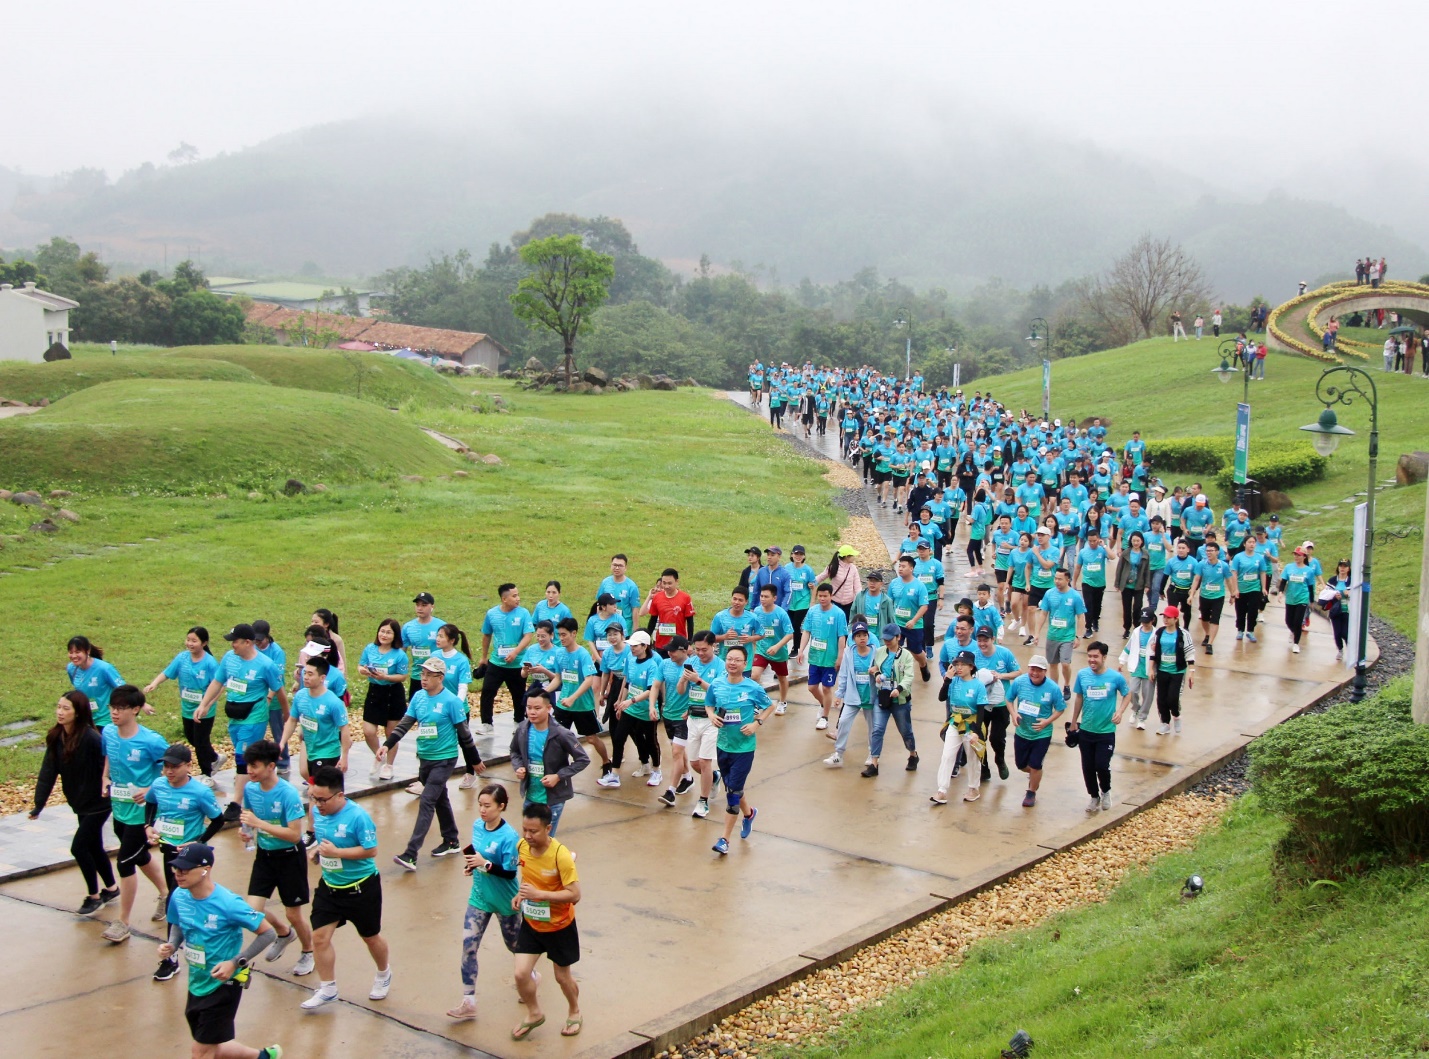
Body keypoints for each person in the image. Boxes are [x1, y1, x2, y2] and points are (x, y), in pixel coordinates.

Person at [159, 842, 283, 1059]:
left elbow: (268, 933)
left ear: (205, 870)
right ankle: (263, 1056)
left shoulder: (229, 903)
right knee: (211, 1045)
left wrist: (234, 963)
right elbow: (178, 923)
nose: (178, 873)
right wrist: (172, 945)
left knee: (200, 1051)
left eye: (185, 869)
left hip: (225, 983)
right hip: (198, 980)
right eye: (176, 868)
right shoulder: (179, 895)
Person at [379, 657, 483, 871]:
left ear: (440, 677)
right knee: (440, 798)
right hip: (425, 758)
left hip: (444, 759)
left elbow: (464, 734)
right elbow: (404, 725)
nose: (423, 678)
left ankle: (411, 854)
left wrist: (474, 761)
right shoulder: (418, 697)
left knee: (427, 800)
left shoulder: (452, 702)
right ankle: (452, 840)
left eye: (429, 675)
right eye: (422, 674)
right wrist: (387, 745)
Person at [302, 766, 392, 1010]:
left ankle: (384, 973)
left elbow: (371, 850)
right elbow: (325, 842)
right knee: (319, 937)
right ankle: (328, 989)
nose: (318, 805)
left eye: (323, 800)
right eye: (314, 798)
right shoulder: (317, 813)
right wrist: (318, 852)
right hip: (330, 886)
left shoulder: (358, 817)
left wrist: (336, 853)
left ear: (340, 795)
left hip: (361, 888)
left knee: (370, 937)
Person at [96, 685, 170, 942]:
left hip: (143, 815)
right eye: (112, 707)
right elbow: (108, 757)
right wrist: (105, 777)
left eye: (120, 708)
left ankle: (123, 922)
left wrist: (149, 789)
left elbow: (175, 769)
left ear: (136, 709)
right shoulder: (108, 732)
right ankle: (166, 893)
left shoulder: (152, 741)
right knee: (138, 856)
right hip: (120, 809)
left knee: (125, 861)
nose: (114, 713)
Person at [32, 689, 115, 917]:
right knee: (94, 846)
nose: (60, 712)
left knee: (79, 847)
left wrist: (112, 789)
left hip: (99, 803)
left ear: (78, 713)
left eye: (66, 708)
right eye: (59, 707)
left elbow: (109, 765)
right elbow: (48, 772)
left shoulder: (91, 738)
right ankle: (112, 888)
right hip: (80, 803)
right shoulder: (56, 737)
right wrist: (39, 804)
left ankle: (94, 896)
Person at [146, 744, 226, 982]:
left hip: (190, 858)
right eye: (166, 766)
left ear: (189, 766)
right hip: (168, 852)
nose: (169, 771)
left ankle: (172, 958)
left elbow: (218, 820)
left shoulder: (200, 793)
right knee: (180, 902)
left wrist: (197, 843)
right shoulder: (158, 785)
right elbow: (150, 803)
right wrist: (148, 826)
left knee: (178, 901)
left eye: (175, 767)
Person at [195, 624, 288, 822]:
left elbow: (279, 690)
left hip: (254, 717)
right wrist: (204, 705)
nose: (232, 645)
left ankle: (236, 804)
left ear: (247, 642)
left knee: (242, 758)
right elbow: (217, 682)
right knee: (247, 756)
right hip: (234, 715)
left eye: (235, 642)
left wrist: (287, 714)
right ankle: (263, 780)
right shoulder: (229, 658)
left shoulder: (266, 665)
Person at [239, 739, 314, 978]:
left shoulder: (287, 794)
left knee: (293, 914)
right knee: (251, 911)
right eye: (248, 765)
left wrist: (260, 824)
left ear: (271, 766)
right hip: (264, 855)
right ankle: (283, 933)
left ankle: (308, 951)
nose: (250, 770)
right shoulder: (251, 789)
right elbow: (248, 815)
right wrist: (246, 830)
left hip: (290, 858)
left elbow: (294, 835)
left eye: (255, 766)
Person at [447, 783, 522, 1022]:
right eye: (480, 805)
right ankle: (468, 1000)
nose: (482, 810)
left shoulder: (509, 837)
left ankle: (529, 978)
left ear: (501, 806)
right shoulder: (477, 826)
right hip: (479, 897)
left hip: (505, 900)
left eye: (487, 806)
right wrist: (471, 866)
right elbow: (477, 856)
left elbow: (510, 872)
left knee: (515, 946)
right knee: (468, 945)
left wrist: (485, 864)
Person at [511, 803, 583, 1040]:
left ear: (548, 829)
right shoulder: (522, 847)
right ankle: (534, 1013)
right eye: (525, 829)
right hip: (532, 924)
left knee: (562, 978)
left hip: (559, 927)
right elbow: (528, 878)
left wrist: (540, 895)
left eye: (534, 831)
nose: (528, 836)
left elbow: (575, 895)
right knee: (521, 974)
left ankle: (574, 1010)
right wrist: (521, 895)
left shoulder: (560, 856)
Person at [708, 645, 774, 855]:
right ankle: (749, 813)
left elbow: (770, 706)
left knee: (733, 794)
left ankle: (724, 839)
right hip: (723, 745)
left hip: (744, 748)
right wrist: (711, 715)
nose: (732, 663)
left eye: (737, 660)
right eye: (729, 659)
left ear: (745, 664)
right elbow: (709, 704)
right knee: (732, 787)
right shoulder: (717, 684)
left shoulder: (752, 687)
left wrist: (757, 723)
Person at [280, 657, 351, 847]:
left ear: (322, 678)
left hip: (327, 753)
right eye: (305, 673)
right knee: (322, 792)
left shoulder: (333, 702)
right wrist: (282, 743)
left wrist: (344, 756)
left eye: (310, 674)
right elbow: (292, 720)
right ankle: (335, 821)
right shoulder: (301, 696)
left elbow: (345, 730)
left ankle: (311, 832)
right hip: (311, 751)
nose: (306, 677)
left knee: (315, 793)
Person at [145, 627, 223, 784]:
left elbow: (219, 686)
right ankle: (215, 758)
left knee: (200, 742)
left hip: (204, 711)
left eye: (194, 641)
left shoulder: (209, 663)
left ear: (204, 643)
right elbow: (167, 672)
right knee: (191, 737)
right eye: (188, 640)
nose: (190, 643)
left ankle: (207, 774)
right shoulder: (182, 658)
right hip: (187, 709)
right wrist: (154, 683)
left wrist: (208, 705)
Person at [511, 685, 589, 835]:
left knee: (545, 839)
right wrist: (518, 766)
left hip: (553, 799)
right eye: (529, 707)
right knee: (529, 836)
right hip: (530, 796)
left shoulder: (561, 734)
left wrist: (558, 776)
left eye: (537, 708)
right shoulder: (522, 729)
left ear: (549, 708)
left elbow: (583, 759)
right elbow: (514, 751)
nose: (532, 712)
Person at [1068, 642, 1130, 812]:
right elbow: (1079, 698)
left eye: (1095, 656)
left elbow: (1127, 694)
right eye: (1089, 656)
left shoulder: (1115, 677)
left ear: (1104, 657)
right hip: (1086, 730)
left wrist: (1120, 712)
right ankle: (1094, 796)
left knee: (1101, 765)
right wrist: (1073, 721)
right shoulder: (1082, 675)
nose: (1092, 660)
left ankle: (1106, 791)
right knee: (1087, 767)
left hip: (1106, 732)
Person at [1006, 655, 1065, 807]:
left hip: (1042, 733)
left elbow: (1060, 709)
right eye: (1032, 669)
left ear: (1045, 671)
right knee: (1021, 764)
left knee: (1036, 764)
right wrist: (1013, 714)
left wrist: (1047, 721)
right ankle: (1035, 773)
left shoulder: (1053, 688)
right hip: (1022, 730)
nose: (1035, 673)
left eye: (1039, 670)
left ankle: (1031, 792)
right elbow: (1009, 699)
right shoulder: (1019, 682)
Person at [678, 631, 726, 817]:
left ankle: (703, 801)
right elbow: (681, 691)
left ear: (714, 646)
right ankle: (715, 777)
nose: (700, 653)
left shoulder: (721, 666)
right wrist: (684, 680)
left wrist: (698, 680)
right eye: (697, 649)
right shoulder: (692, 663)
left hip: (711, 719)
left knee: (705, 762)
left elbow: (719, 693)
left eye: (704, 649)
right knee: (694, 763)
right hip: (693, 718)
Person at [933, 650, 988, 804]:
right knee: (947, 755)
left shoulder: (978, 686)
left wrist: (977, 732)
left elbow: (981, 710)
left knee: (972, 757)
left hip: (971, 724)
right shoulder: (953, 682)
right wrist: (947, 680)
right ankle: (942, 790)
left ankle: (973, 788)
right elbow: (941, 698)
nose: (959, 667)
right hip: (955, 722)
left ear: (971, 667)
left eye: (963, 664)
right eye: (957, 664)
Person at [479, 582, 536, 729]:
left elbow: (528, 635)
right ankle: (486, 723)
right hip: (496, 662)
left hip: (517, 663)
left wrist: (515, 652)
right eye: (514, 596)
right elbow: (486, 635)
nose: (518, 598)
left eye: (518, 595)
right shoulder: (492, 614)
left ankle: (519, 722)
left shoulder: (523, 613)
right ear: (504, 599)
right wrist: (483, 657)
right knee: (487, 691)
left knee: (518, 694)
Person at [358, 619, 409, 782]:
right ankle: (379, 755)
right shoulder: (370, 649)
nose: (384, 635)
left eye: (388, 632)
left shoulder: (400, 655)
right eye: (382, 631)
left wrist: (385, 677)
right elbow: (360, 665)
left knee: (391, 733)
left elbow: (402, 676)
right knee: (368, 731)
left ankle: (389, 765)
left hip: (393, 693)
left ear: (395, 636)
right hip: (375, 692)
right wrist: (364, 671)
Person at [824, 621, 880, 770]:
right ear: (853, 638)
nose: (862, 638)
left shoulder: (876, 652)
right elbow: (843, 675)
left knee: (873, 727)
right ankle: (838, 754)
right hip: (853, 696)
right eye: (858, 635)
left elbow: (883, 671)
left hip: (870, 696)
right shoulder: (849, 653)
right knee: (843, 721)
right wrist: (839, 695)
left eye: (864, 635)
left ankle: (872, 754)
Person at [655, 637, 697, 805]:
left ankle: (670, 792)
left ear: (684, 650)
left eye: (673, 650)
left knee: (676, 753)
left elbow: (698, 691)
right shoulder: (665, 664)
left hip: (683, 718)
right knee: (677, 750)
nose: (669, 653)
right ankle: (687, 777)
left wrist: (691, 709)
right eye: (668, 650)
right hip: (668, 715)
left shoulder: (693, 667)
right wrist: (653, 706)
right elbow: (656, 685)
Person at [802, 583, 850, 730]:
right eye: (820, 596)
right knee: (812, 687)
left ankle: (825, 717)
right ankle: (824, 704)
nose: (822, 598)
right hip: (815, 657)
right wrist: (801, 650)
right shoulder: (812, 611)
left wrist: (840, 656)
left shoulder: (839, 614)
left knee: (827, 688)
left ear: (831, 596)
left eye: (825, 596)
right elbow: (806, 631)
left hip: (830, 659)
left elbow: (842, 636)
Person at [1039, 567, 1086, 698]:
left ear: (1067, 580)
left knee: (1065, 664)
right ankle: (1055, 689)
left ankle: (1067, 685)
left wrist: (1078, 636)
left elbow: (1081, 617)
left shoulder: (1075, 596)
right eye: (1055, 578)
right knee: (1053, 664)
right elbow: (1043, 613)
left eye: (1060, 579)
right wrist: (1036, 633)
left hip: (1067, 637)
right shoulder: (1049, 594)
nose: (1057, 581)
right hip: (1052, 635)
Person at [252, 621, 290, 775]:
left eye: (260, 640)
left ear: (267, 637)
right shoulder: (252, 650)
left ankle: (283, 761)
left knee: (278, 732)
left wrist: (269, 698)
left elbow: (277, 679)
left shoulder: (277, 652)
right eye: (255, 640)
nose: (257, 643)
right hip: (257, 698)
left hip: (274, 701)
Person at [750, 584, 795, 713]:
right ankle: (758, 702)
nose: (762, 599)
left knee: (782, 678)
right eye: (761, 596)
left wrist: (777, 646)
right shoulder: (757, 612)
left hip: (779, 653)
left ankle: (782, 702)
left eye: (766, 596)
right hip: (761, 650)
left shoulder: (781, 614)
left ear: (774, 598)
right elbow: (754, 630)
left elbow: (790, 634)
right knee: (754, 675)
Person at [1150, 606, 1196, 734]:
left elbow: (1190, 653)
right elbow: (1153, 652)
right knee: (1161, 699)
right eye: (1164, 617)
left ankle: (1176, 715)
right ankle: (1165, 723)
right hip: (1162, 670)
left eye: (1169, 617)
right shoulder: (1159, 633)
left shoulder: (1183, 634)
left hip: (1177, 672)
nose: (1165, 620)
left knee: (1172, 698)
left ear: (1176, 619)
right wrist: (1151, 669)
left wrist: (1191, 672)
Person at [66, 635, 124, 728]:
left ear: (87, 651)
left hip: (105, 720)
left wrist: (142, 704)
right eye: (71, 652)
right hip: (85, 719)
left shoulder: (104, 668)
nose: (74, 656)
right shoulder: (71, 668)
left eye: (77, 652)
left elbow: (124, 690)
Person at [1117, 608, 1159, 730]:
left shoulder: (1157, 634)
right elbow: (1128, 647)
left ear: (1152, 620)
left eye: (1147, 621)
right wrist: (1122, 661)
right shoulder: (1136, 632)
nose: (1144, 624)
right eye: (1143, 621)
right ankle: (1136, 709)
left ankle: (1142, 718)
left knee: (1147, 694)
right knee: (1132, 691)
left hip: (1149, 669)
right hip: (1136, 666)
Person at [402, 592, 445, 700]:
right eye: (417, 605)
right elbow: (402, 651)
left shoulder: (441, 626)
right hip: (417, 675)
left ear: (432, 607)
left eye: (424, 605)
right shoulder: (408, 627)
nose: (420, 608)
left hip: (436, 675)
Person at [643, 567, 696, 653]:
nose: (666, 586)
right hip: (661, 643)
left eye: (670, 583)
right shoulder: (657, 597)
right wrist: (647, 638)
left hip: (679, 643)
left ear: (676, 582)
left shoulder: (685, 598)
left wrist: (690, 642)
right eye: (664, 583)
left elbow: (690, 622)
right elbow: (653, 620)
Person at [1191, 541, 1231, 655]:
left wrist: (1233, 593)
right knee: (1204, 618)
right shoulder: (1201, 564)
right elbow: (1196, 579)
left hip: (1218, 596)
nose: (1209, 553)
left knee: (1215, 619)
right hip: (1204, 595)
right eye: (1207, 551)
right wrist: (1192, 594)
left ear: (1217, 552)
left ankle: (1210, 643)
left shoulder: (1223, 565)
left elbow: (1228, 580)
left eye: (1211, 551)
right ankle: (1207, 634)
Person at [1230, 537, 1268, 642]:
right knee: (1240, 611)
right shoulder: (1238, 557)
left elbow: (1262, 572)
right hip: (1241, 589)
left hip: (1254, 588)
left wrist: (1263, 588)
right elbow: (1234, 573)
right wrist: (1235, 589)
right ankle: (1240, 630)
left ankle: (1250, 631)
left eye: (1253, 542)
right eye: (1249, 542)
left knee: (1253, 611)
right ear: (1244, 544)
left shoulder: (1259, 558)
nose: (1252, 544)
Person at [1113, 531, 1151, 638]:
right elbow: (1119, 568)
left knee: (1138, 607)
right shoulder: (1126, 553)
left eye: (1138, 540)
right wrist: (1117, 583)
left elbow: (1147, 570)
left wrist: (1147, 584)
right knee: (1127, 608)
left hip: (1139, 585)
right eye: (1134, 540)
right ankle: (1126, 628)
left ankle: (1137, 627)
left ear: (1142, 541)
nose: (1136, 543)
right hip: (1126, 585)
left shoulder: (1145, 554)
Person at [1280, 547, 1315, 654]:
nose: (1296, 557)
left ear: (1304, 557)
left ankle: (1296, 644)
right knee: (1288, 621)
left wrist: (1311, 601)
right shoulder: (1288, 567)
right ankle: (1294, 632)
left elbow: (1311, 587)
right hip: (1290, 598)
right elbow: (1283, 581)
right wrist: (1281, 592)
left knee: (1297, 621)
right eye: (1295, 554)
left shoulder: (1309, 571)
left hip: (1302, 598)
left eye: (1299, 555)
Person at [1327, 559, 1352, 661]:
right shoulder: (1332, 580)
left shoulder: (1352, 581)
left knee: (1345, 633)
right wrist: (1334, 595)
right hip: (1335, 610)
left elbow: (1357, 595)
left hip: (1347, 610)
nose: (1342, 568)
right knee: (1337, 633)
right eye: (1341, 566)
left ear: (1348, 568)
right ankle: (1340, 650)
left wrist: (1349, 594)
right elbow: (1326, 594)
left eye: (1345, 566)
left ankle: (1351, 650)